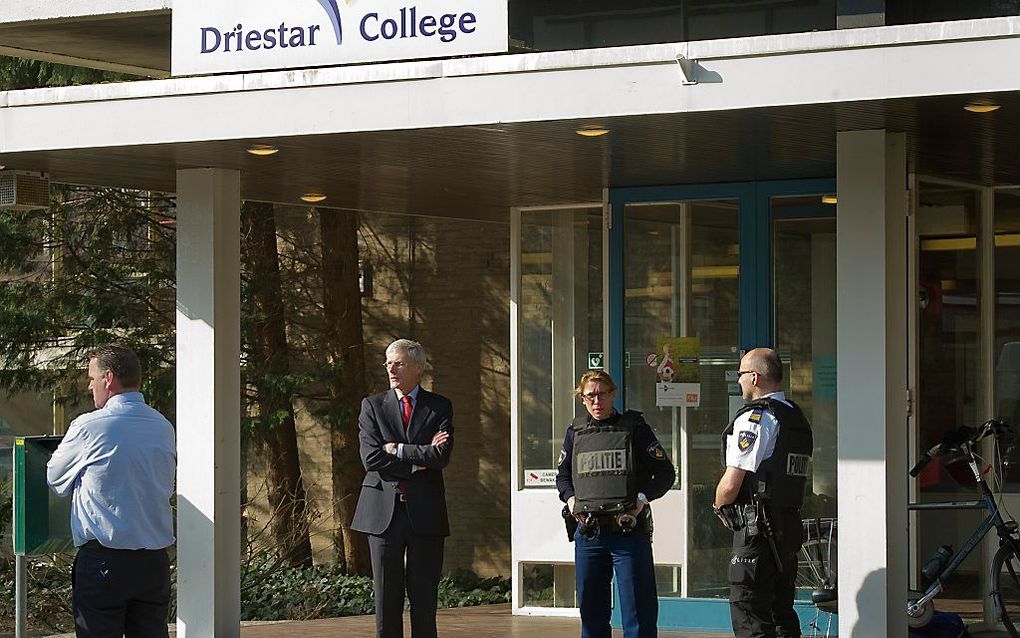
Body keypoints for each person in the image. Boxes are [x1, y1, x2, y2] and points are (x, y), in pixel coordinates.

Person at [46, 344, 176, 638]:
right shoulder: (162, 425)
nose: (89, 385)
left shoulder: (90, 426)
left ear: (109, 378)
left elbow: (55, 478)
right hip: (154, 561)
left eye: (91, 378)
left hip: (105, 559)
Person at [556, 369, 676, 638]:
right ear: (582, 399)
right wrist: (572, 500)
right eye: (590, 396)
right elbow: (563, 476)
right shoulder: (575, 432)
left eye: (601, 394)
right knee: (591, 614)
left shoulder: (634, 428)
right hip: (589, 533)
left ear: (613, 394)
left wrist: (642, 500)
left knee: (638, 614)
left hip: (628, 532)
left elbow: (666, 473)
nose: (596, 402)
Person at [352, 339, 454, 638]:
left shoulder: (439, 406)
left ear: (418, 368)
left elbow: (441, 456)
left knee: (424, 599)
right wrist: (415, 461)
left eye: (398, 363)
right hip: (382, 513)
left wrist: (396, 449)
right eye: (388, 363)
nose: (391, 369)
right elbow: (370, 457)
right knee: (386, 598)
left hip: (426, 512)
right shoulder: (372, 405)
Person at [713, 348, 813, 638]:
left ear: (754, 377)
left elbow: (732, 482)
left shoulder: (756, 419)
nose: (739, 381)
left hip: (757, 530)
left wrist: (719, 506)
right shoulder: (794, 417)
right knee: (781, 612)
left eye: (741, 374)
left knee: (750, 614)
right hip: (786, 528)